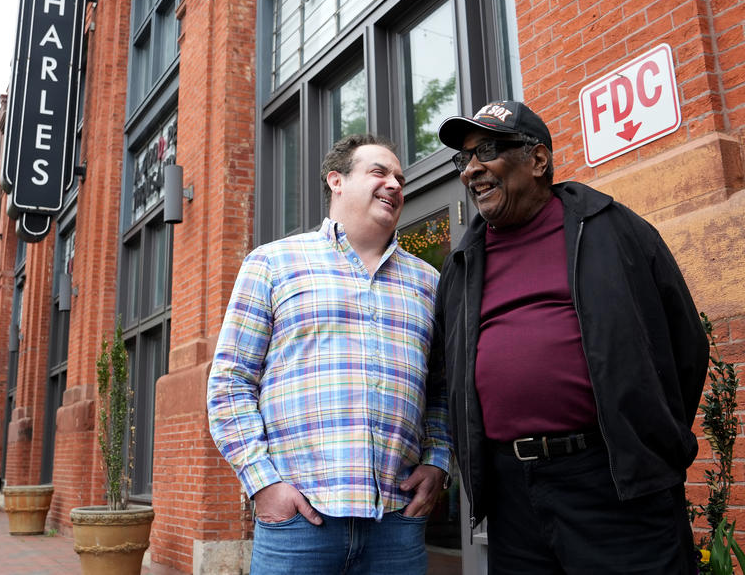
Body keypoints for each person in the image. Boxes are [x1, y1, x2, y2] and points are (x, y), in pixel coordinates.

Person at [434, 100, 709, 573]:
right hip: (511, 494)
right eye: (464, 159)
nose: (471, 170)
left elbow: (685, 343)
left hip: (612, 483)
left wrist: (649, 439)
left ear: (538, 161)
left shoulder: (612, 229)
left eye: (488, 151)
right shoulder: (461, 264)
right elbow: (449, 371)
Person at [207, 134, 452, 575]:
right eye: (379, 172)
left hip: (395, 523)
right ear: (336, 180)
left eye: (400, 177)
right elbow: (230, 383)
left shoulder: (428, 281)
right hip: (299, 523)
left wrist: (437, 462)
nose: (395, 183)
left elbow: (441, 390)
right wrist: (264, 484)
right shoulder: (273, 264)